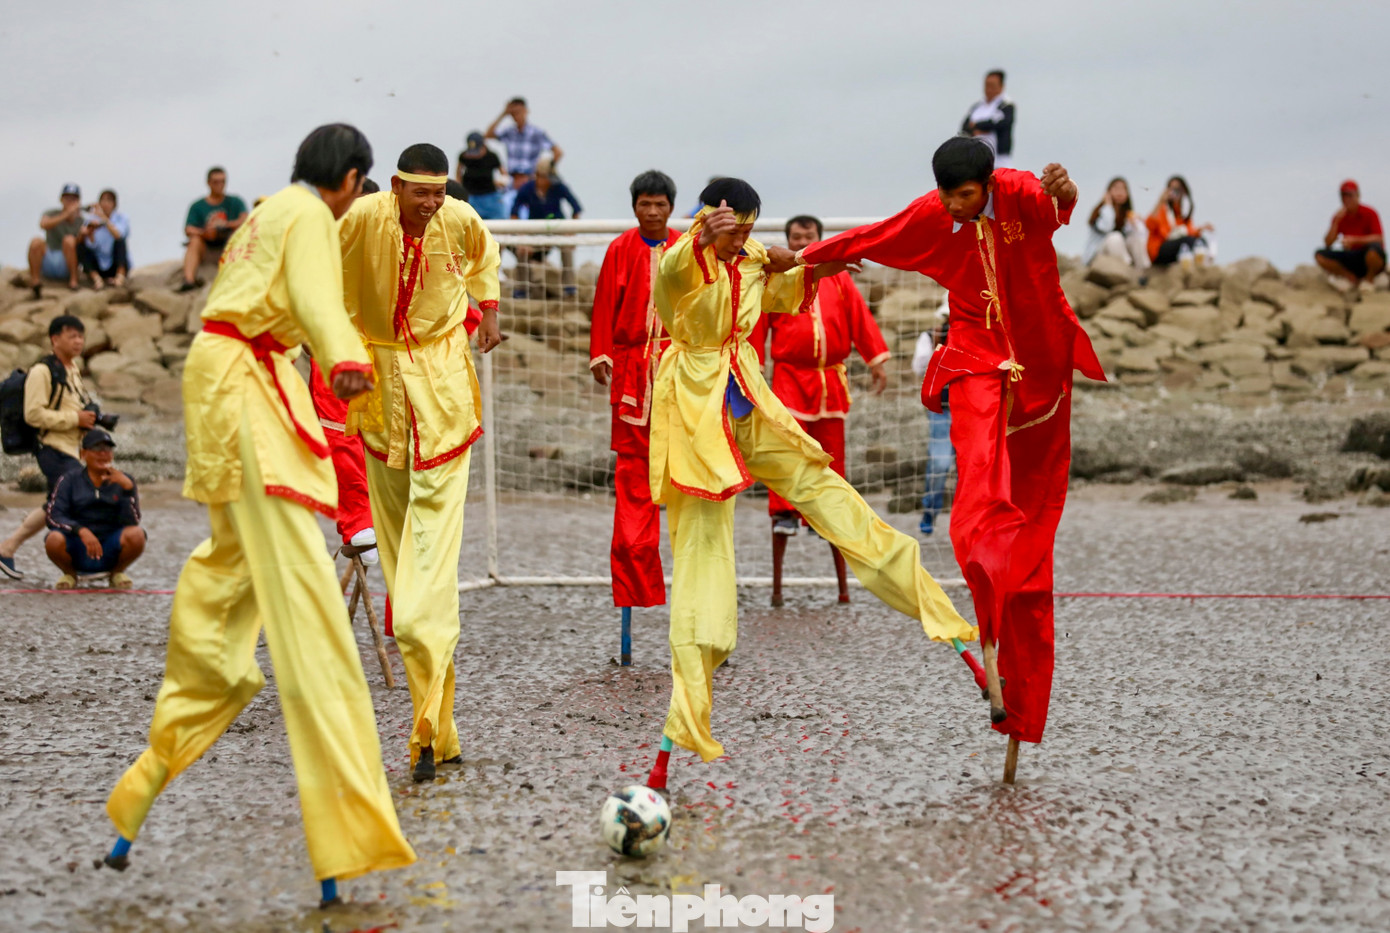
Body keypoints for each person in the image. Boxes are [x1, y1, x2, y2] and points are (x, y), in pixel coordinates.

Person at [103, 124, 416, 903]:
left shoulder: (265, 211)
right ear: (349, 178)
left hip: (228, 384)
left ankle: (141, 786)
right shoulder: (308, 214)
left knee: (225, 588)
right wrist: (346, 360)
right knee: (312, 623)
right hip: (246, 392)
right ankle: (349, 837)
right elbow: (315, 298)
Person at [640, 178, 973, 792]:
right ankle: (686, 704)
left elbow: (789, 276)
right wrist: (706, 240)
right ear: (708, 219)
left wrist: (832, 258)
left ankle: (926, 599)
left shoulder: (751, 259)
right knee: (703, 553)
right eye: (731, 226)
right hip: (693, 405)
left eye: (747, 226)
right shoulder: (682, 257)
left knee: (823, 485)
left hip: (753, 397)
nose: (740, 237)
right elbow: (674, 278)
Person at [797, 137, 1105, 752]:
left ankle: (1009, 611)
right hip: (972, 356)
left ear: (988, 185)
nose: (953, 205)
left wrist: (1066, 194)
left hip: (1040, 361)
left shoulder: (1018, 192)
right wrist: (809, 257)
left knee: (1035, 514)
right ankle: (979, 555)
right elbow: (876, 235)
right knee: (979, 480)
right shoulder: (937, 214)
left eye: (964, 195)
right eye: (945, 194)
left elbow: (1056, 209)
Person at [338, 143, 502, 784]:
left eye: (440, 193)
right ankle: (437, 727)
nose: (431, 204)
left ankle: (419, 661)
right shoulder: (360, 219)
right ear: (398, 186)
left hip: (442, 391)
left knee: (423, 580)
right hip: (379, 394)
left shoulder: (460, 219)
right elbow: (323, 279)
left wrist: (488, 313)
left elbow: (486, 263)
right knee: (402, 554)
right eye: (421, 193)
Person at [751, 214, 890, 607]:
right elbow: (759, 326)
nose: (801, 241)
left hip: (831, 383)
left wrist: (876, 359)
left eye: (808, 237)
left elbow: (860, 320)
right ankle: (784, 513)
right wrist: (756, 371)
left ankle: (832, 518)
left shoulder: (838, 278)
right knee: (787, 457)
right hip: (790, 381)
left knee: (831, 460)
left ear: (819, 240)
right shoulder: (777, 279)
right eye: (795, 237)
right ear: (787, 241)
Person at [589, 170, 681, 640]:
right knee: (633, 490)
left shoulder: (687, 247)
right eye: (644, 204)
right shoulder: (619, 250)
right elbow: (605, 303)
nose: (652, 211)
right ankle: (635, 588)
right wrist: (601, 352)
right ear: (635, 207)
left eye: (659, 204)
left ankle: (696, 606)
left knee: (687, 486)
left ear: (670, 207)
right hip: (631, 376)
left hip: (678, 370)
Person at [0, 315, 96, 580]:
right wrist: (75, 419)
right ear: (55, 340)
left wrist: (91, 415)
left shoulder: (72, 369)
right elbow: (33, 415)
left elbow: (76, 403)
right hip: (51, 447)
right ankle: (79, 562)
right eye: (72, 336)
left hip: (71, 448)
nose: (78, 341)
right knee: (74, 499)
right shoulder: (42, 371)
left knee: (55, 504)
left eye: (81, 336)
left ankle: (6, 548)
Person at [43, 428, 145, 588]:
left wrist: (127, 490)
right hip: (77, 545)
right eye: (97, 449)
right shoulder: (69, 480)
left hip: (110, 545)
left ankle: (116, 573)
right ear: (83, 454)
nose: (103, 454)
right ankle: (70, 574)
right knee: (53, 539)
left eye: (107, 449)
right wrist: (81, 531)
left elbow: (133, 521)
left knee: (137, 534)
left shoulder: (125, 480)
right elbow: (53, 517)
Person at [510, 154, 582, 295]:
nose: (549, 182)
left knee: (567, 248)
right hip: (535, 228)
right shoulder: (527, 189)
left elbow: (576, 208)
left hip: (557, 227)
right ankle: (521, 289)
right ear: (538, 176)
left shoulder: (559, 187)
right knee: (521, 251)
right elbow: (514, 213)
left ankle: (569, 287)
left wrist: (572, 232)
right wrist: (521, 236)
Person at [912, 306, 954, 537]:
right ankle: (930, 510)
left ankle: (967, 519)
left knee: (973, 467)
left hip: (973, 409)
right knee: (940, 464)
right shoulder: (932, 336)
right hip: (943, 409)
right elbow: (918, 368)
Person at [179, 167, 249, 291]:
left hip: (228, 248)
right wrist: (205, 233)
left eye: (223, 181)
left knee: (237, 236)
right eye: (216, 182)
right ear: (209, 183)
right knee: (194, 241)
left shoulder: (235, 202)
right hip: (207, 249)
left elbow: (245, 220)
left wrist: (225, 226)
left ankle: (237, 277)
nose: (220, 185)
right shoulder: (198, 206)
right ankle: (189, 280)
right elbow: (189, 229)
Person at [1315, 180, 1385, 291]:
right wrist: (1336, 222)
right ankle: (1350, 278)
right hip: (1351, 256)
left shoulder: (1369, 213)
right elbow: (1328, 243)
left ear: (1357, 195)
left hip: (1368, 255)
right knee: (1320, 254)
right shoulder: (1340, 216)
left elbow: (1379, 238)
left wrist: (1355, 241)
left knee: (1373, 251)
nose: (1347, 199)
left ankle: (1369, 280)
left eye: (1350, 195)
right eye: (1343, 196)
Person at [486, 97, 563, 189]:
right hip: (512, 181)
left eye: (519, 112)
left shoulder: (536, 133)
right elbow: (488, 135)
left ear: (526, 111)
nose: (516, 116)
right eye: (513, 113)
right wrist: (503, 114)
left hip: (530, 180)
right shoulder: (509, 132)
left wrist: (542, 173)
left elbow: (558, 152)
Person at [26, 184, 85, 297]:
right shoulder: (51, 213)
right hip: (49, 257)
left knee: (69, 240)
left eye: (74, 199)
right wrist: (66, 214)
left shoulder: (81, 220)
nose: (70, 201)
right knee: (36, 241)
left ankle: (73, 281)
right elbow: (43, 224)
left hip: (67, 262)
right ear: (61, 199)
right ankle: (35, 281)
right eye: (67, 198)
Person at [1145, 175, 1213, 267]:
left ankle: (1201, 265)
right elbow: (1149, 225)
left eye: (1178, 189)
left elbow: (1189, 231)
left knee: (1201, 241)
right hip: (1159, 250)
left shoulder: (1182, 212)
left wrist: (1201, 229)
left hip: (1177, 248)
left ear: (1184, 191)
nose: (1175, 192)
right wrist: (1160, 201)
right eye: (1172, 189)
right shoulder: (1163, 209)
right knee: (1186, 242)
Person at [1082, 177, 1148, 269]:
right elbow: (1106, 227)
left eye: (1123, 189)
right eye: (1116, 188)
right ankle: (1127, 266)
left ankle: (1142, 271)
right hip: (1099, 254)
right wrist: (1108, 205)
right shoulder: (1102, 211)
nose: (1120, 192)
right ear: (1108, 192)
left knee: (1135, 240)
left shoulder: (1127, 215)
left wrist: (1135, 224)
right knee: (1115, 237)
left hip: (1119, 252)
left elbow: (1140, 236)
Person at [77, 189, 131, 288]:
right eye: (103, 200)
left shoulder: (121, 218)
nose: (105, 203)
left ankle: (120, 277)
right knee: (81, 246)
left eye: (109, 200)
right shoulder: (91, 219)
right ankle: (96, 279)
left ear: (114, 204)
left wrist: (103, 219)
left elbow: (119, 235)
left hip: (114, 262)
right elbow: (90, 245)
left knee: (120, 242)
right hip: (98, 263)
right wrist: (89, 233)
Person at [962, 70, 1016, 168]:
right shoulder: (977, 107)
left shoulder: (1006, 105)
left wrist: (978, 126)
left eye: (992, 85)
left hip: (999, 158)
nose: (989, 89)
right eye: (987, 85)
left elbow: (1003, 123)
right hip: (976, 158)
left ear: (1001, 86)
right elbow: (965, 127)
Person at [456, 132, 508, 219]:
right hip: (470, 196)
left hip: (490, 197)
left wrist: (500, 182)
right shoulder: (464, 156)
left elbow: (503, 173)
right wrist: (459, 186)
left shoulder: (492, 157)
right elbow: (459, 171)